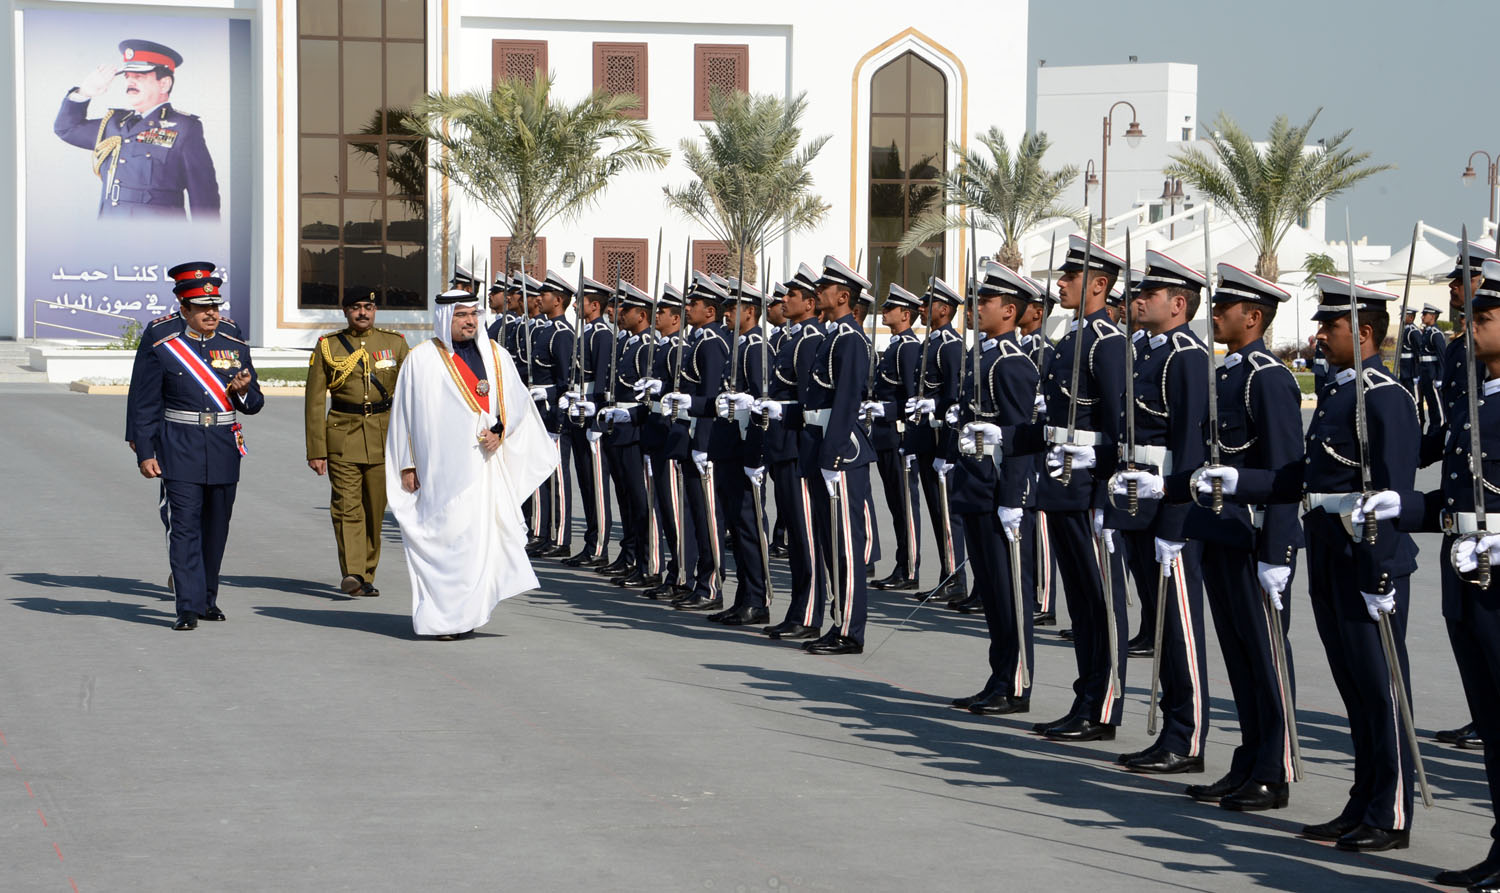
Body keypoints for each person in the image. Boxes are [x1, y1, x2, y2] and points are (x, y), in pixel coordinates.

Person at [1361, 258, 1500, 888]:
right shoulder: (1476, 399)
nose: (1470, 326)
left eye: (1486, 318)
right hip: (1465, 576)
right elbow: (1457, 496)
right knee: (1491, 718)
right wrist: (1406, 506)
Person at [1295, 274, 1419, 851]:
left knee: (1381, 689)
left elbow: (1391, 495)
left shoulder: (1384, 397)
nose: (1320, 335)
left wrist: (1382, 572)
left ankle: (1389, 811)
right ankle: (1363, 797)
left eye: (1331, 326)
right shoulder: (1343, 392)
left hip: (1367, 561)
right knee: (1354, 688)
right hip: (1330, 552)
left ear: (1364, 333)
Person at [1178, 265, 1304, 813]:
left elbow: (1284, 472)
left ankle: (1273, 769)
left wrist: (1278, 553)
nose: (1216, 315)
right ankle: (1250, 759)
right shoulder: (1228, 374)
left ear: (1253, 317)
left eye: (1225, 308)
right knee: (1239, 656)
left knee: (1265, 656)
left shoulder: (1268, 378)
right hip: (1223, 532)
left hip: (1254, 541)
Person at [385, 289, 554, 639]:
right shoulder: (421, 360)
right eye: (462, 315)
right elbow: (403, 416)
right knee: (445, 541)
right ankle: (441, 618)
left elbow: (516, 402)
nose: (470, 321)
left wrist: (500, 431)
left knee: (479, 542)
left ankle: (467, 614)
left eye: (473, 314)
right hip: (439, 472)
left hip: (483, 468)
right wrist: (406, 464)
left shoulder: (496, 355)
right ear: (446, 318)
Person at [1014, 233, 1129, 743]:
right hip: (1061, 483)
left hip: (1088, 488)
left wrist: (1105, 483)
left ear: (1100, 285)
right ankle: (1086, 698)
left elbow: (1121, 426)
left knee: (1099, 601)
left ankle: (1102, 706)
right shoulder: (1072, 338)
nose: (1060, 284)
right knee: (1082, 604)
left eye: (1071, 277)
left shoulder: (1106, 343)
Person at [1109, 251, 1212, 775]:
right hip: (1136, 500)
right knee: (1160, 619)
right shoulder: (1146, 352)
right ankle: (1172, 731)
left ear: (1178, 303)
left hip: (1168, 507)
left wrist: (1176, 518)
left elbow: (1191, 446)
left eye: (1149, 293)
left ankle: (1185, 737)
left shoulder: (1186, 356)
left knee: (1178, 628)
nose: (1138, 298)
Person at [126, 274, 261, 629]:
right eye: (202, 308)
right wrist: (145, 450)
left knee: (216, 528)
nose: (211, 314)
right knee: (184, 527)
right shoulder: (163, 340)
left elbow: (254, 400)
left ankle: (207, 600)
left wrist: (243, 391)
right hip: (179, 445)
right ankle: (186, 605)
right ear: (184, 309)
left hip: (222, 446)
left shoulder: (233, 339)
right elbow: (144, 399)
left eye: (215, 307)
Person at [947, 261, 1040, 715]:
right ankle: (998, 675)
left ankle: (1016, 683)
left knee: (1009, 594)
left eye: (984, 301)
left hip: (997, 493)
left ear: (1009, 311)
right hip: (975, 488)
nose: (976, 306)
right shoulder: (981, 357)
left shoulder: (1011, 363)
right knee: (992, 594)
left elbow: (1021, 437)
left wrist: (1012, 501)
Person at [304, 287, 409, 596]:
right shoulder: (328, 346)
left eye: (368, 307)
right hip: (342, 436)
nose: (362, 312)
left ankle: (367, 573)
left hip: (384, 436)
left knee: (375, 510)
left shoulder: (395, 344)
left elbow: (410, 397)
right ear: (345, 311)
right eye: (355, 307)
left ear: (375, 310)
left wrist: (410, 450)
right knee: (347, 506)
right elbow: (313, 402)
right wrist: (316, 449)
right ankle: (352, 573)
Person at [796, 256, 875, 655]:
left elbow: (845, 402)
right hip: (820, 441)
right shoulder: (833, 334)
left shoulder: (851, 338)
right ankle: (838, 619)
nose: (818, 293)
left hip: (839, 450)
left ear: (843, 296)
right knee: (831, 542)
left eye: (825, 288)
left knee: (845, 544)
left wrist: (833, 457)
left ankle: (850, 630)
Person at [55, 40, 219, 219]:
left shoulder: (184, 127)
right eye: (127, 77)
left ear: (164, 84)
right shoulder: (114, 124)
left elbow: (204, 198)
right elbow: (66, 128)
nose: (130, 82)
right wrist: (84, 92)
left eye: (139, 77)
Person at [758, 264, 827, 639]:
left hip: (798, 449)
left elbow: (806, 399)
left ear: (810, 302)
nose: (783, 300)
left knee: (804, 536)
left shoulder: (809, 339)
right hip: (782, 446)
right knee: (798, 537)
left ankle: (810, 613)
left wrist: (780, 410)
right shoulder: (789, 338)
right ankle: (799, 608)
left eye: (791, 295)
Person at [662, 273, 731, 610]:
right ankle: (699, 581)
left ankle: (711, 585)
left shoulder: (712, 343)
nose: (687, 308)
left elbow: (711, 398)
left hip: (703, 439)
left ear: (711, 311)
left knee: (708, 518)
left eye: (694, 304)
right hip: (690, 437)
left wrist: (703, 443)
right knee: (696, 515)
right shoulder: (700, 340)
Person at [904, 278, 967, 605]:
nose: (922, 309)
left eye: (928, 305)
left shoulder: (951, 345)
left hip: (943, 440)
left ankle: (956, 577)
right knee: (936, 512)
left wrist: (948, 450)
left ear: (944, 309)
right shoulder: (932, 344)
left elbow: (956, 399)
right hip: (927, 440)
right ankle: (948, 573)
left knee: (947, 514)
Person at [865, 283, 924, 592]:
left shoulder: (908, 347)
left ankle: (909, 568)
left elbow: (913, 401)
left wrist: (886, 409)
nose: (884, 312)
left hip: (899, 437)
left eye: (889, 309)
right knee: (895, 505)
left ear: (905, 314)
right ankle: (902, 564)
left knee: (905, 507)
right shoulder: (895, 345)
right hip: (885, 438)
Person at [561, 275, 615, 569]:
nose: (575, 306)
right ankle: (591, 540)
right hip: (579, 415)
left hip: (592, 417)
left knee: (596, 485)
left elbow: (603, 382)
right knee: (585, 482)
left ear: (595, 305)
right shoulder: (586, 333)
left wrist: (597, 417)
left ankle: (599, 546)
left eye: (581, 301)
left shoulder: (601, 335)